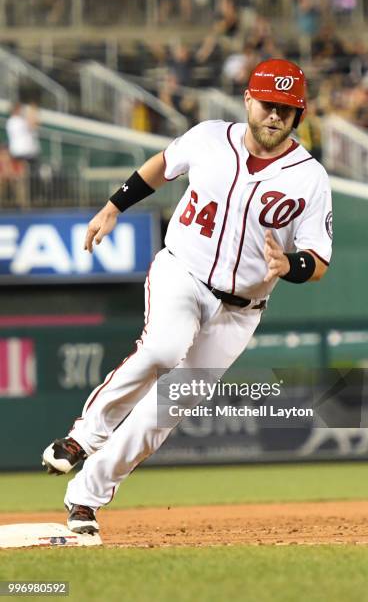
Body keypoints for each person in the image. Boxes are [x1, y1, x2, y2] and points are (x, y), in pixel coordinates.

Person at [42, 59, 333, 535]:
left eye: (286, 109)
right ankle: (83, 438)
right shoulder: (209, 137)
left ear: (298, 114)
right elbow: (162, 166)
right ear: (248, 101)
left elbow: (319, 259)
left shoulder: (309, 177)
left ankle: (85, 501)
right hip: (183, 271)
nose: (275, 117)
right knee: (162, 348)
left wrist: (292, 266)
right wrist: (115, 206)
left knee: (167, 409)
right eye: (267, 105)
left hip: (241, 310)